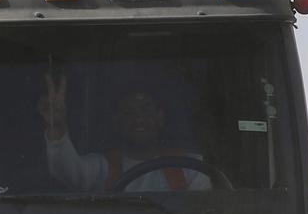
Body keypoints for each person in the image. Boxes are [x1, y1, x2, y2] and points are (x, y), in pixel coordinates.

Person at [38, 76, 214, 194]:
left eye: (146, 110)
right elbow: (66, 171)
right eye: (128, 112)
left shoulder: (191, 168)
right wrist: (58, 126)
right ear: (116, 121)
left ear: (160, 118)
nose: (138, 118)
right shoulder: (102, 167)